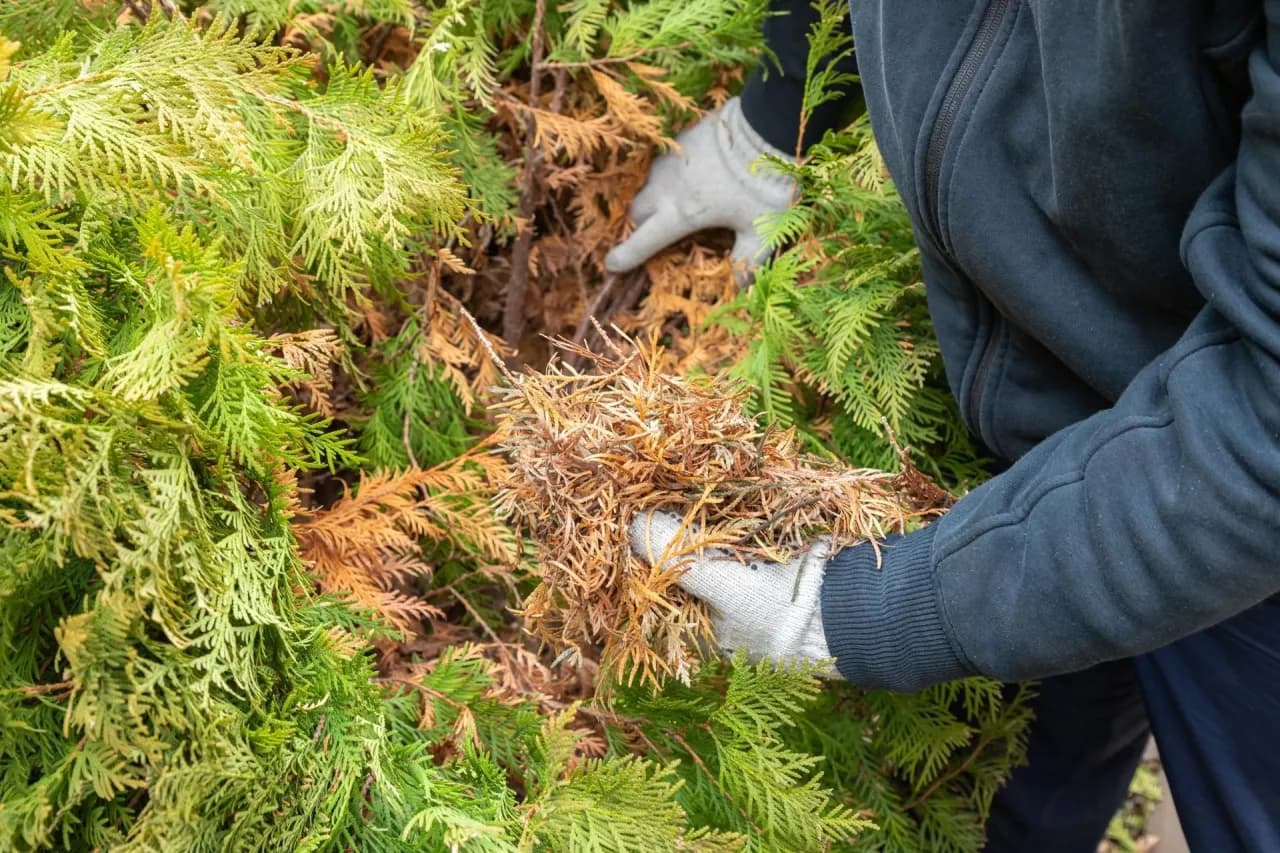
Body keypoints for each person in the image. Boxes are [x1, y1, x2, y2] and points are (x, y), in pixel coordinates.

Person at [617, 2, 1280, 851]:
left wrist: (873, 612)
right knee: (1019, 782)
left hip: (1249, 520)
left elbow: (1265, 438)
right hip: (1046, 430)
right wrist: (784, 110)